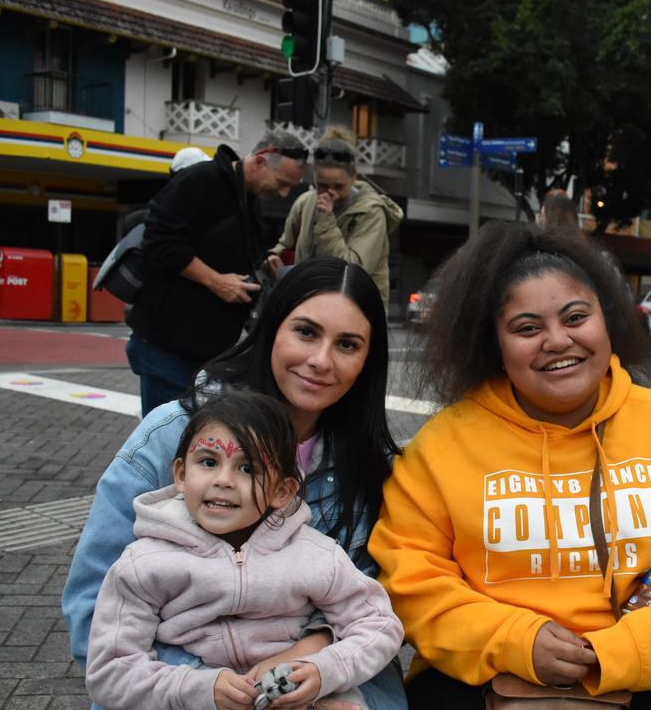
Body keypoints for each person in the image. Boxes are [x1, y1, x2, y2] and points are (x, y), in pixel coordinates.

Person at [368, 222, 651, 709]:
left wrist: (625, 648)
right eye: (527, 328)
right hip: (486, 672)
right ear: (495, 345)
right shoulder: (440, 445)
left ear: (606, 320)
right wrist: (516, 640)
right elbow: (410, 578)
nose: (557, 341)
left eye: (576, 317)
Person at [63, 256, 408, 710]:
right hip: (173, 681)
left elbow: (370, 606)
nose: (320, 360)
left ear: (368, 360)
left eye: (347, 344)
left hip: (314, 677)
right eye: (305, 332)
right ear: (270, 330)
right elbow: (92, 609)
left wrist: (306, 658)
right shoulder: (170, 434)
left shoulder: (370, 464)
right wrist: (204, 686)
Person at [86, 392, 403, 710]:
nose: (223, 480)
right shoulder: (143, 565)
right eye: (208, 462)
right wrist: (195, 689)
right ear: (181, 474)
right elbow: (110, 671)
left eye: (248, 469)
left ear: (282, 490)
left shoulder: (317, 555)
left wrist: (326, 671)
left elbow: (380, 625)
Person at [126, 130, 309, 416]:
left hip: (206, 354)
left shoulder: (248, 199)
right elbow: (159, 241)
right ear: (259, 162)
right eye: (282, 183)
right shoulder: (201, 180)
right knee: (168, 443)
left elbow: (224, 250)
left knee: (194, 444)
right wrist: (216, 282)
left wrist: (263, 262)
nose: (284, 193)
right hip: (167, 348)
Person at [266, 127, 402, 305]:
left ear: (354, 177)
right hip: (306, 301)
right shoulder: (306, 202)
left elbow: (354, 270)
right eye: (322, 185)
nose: (330, 193)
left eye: (338, 186)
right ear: (314, 177)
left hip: (354, 309)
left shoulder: (372, 212)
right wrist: (274, 255)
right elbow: (286, 244)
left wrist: (326, 222)